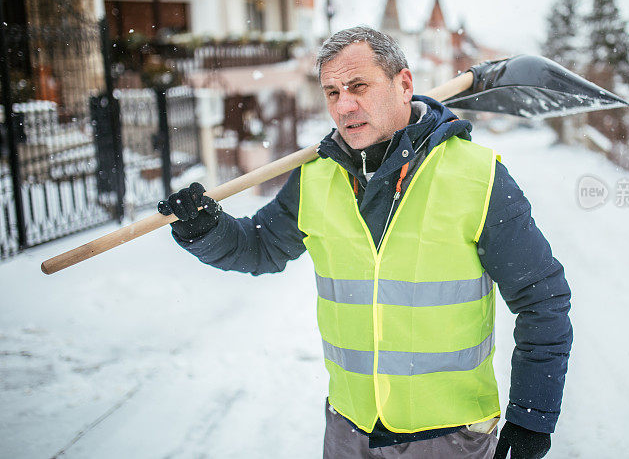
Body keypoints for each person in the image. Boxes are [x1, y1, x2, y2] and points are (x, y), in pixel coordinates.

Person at [158, 26, 572, 459]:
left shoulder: (476, 176)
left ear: (405, 85)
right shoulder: (316, 178)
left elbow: (541, 298)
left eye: (358, 86)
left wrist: (531, 416)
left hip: (448, 439)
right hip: (347, 431)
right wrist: (203, 228)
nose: (345, 105)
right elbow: (258, 247)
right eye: (332, 92)